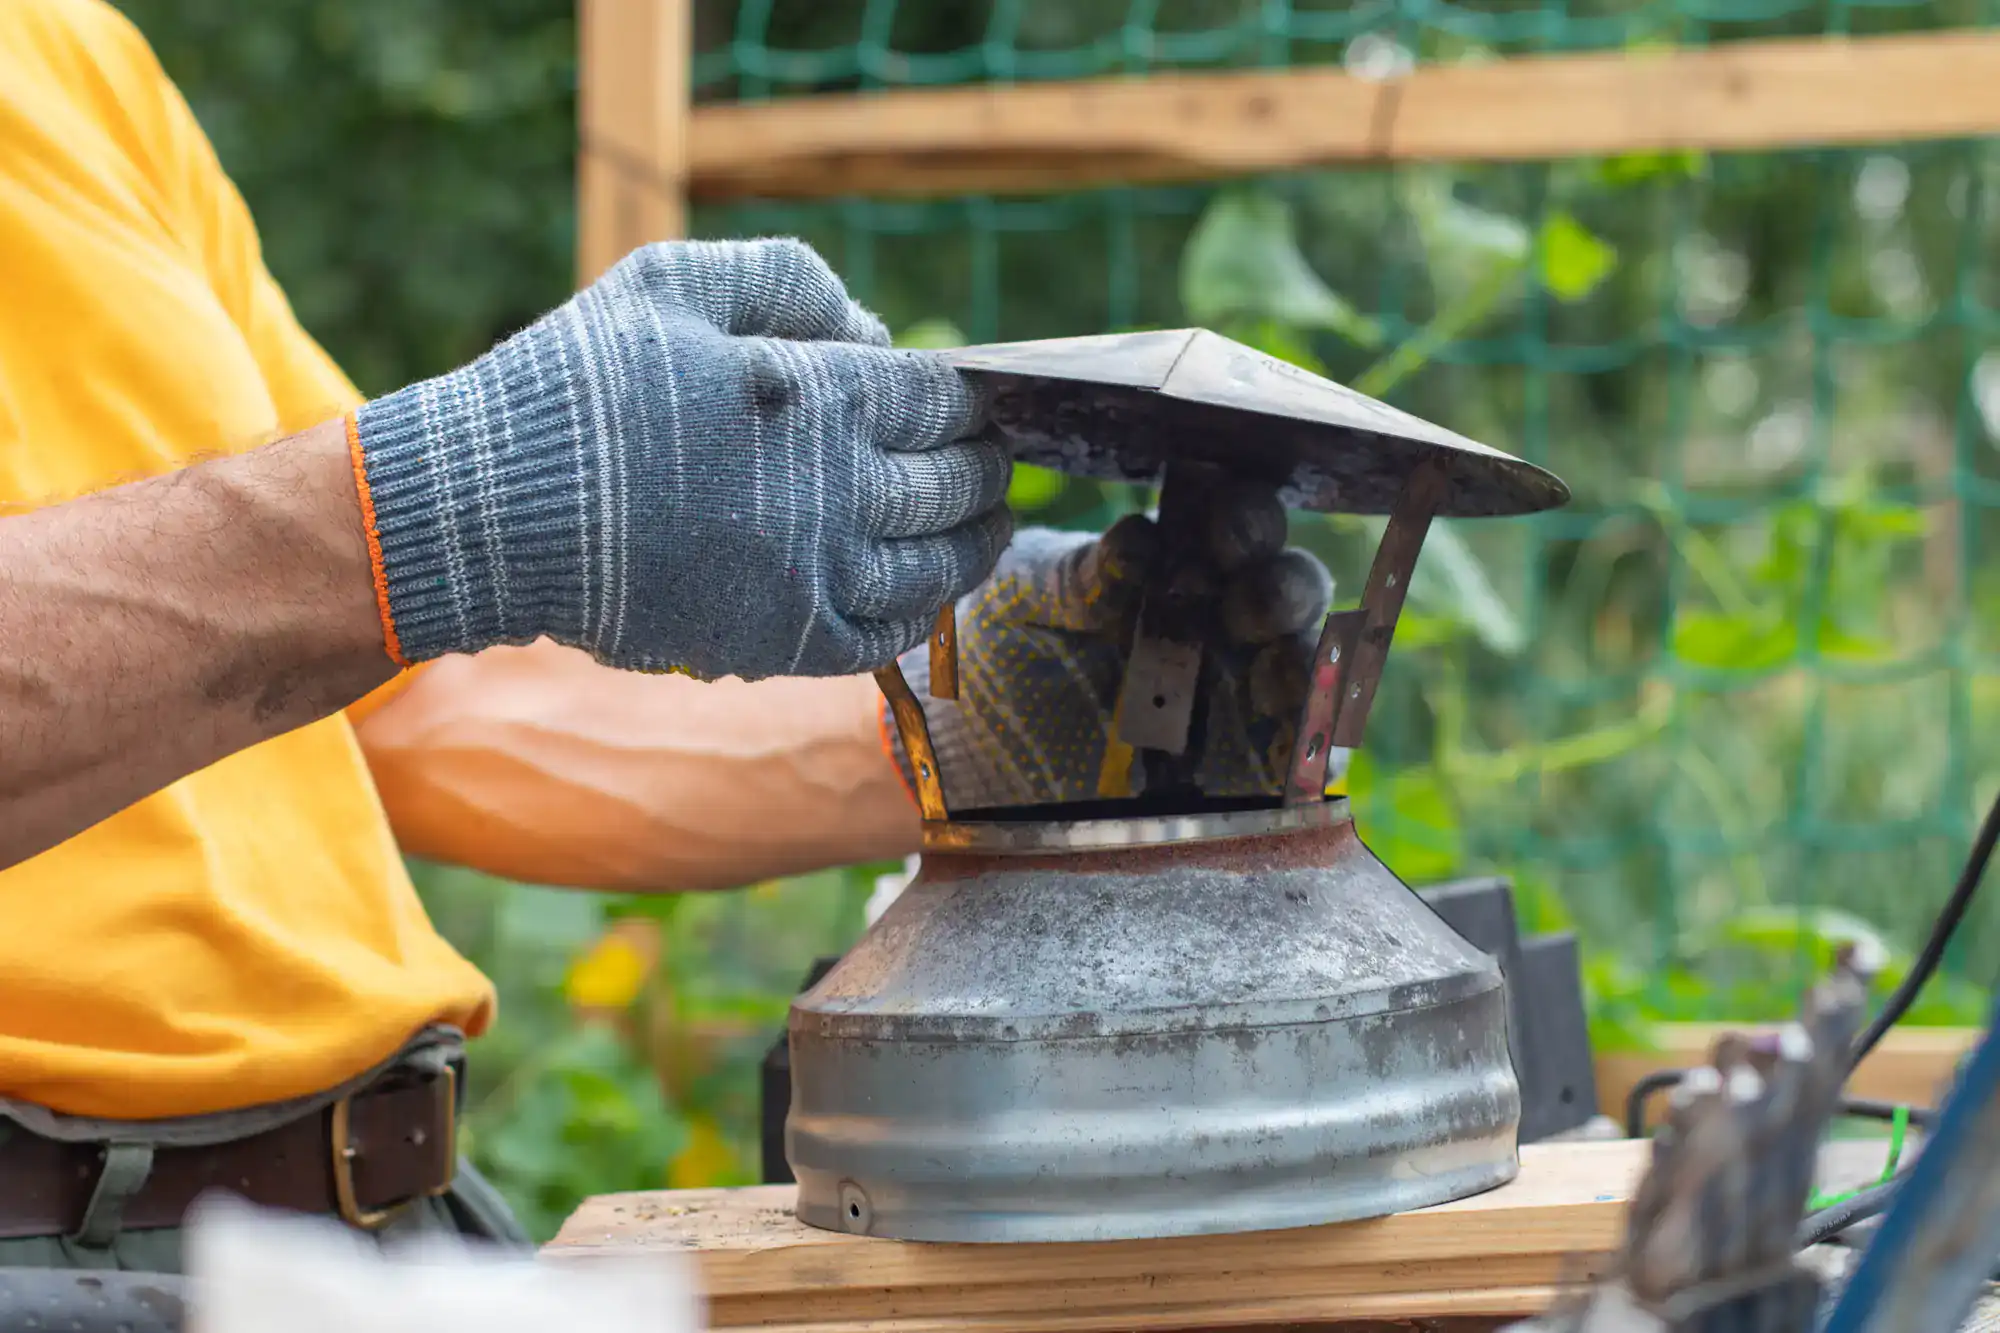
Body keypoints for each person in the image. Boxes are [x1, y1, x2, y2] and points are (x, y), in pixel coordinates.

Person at [0, 0, 1337, 1270]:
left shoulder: (62, 52)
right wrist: (440, 505)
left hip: (357, 1223)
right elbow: (367, 563)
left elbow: (410, 709)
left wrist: (968, 708)